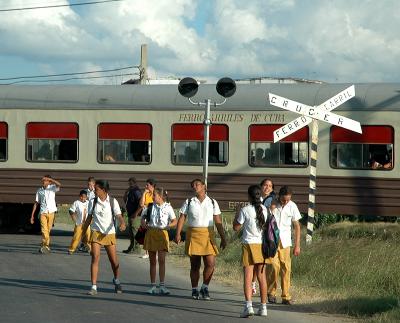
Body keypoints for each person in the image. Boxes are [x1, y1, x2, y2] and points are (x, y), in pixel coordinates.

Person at [175, 178, 227, 300]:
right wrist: (177, 234)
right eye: (193, 185)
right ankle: (194, 289)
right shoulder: (189, 201)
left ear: (204, 186)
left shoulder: (212, 202)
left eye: (197, 184)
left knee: (210, 263)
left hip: (208, 234)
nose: (195, 187)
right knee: (195, 265)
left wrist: (223, 238)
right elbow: (182, 218)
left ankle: (205, 287)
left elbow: (218, 221)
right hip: (193, 234)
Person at [82, 180, 126, 295]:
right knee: (95, 257)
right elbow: (89, 218)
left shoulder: (112, 201)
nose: (94, 191)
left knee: (114, 261)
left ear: (104, 190)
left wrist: (122, 223)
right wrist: (82, 233)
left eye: (96, 189)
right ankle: (94, 286)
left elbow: (118, 215)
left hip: (109, 233)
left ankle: (116, 280)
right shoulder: (93, 201)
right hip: (96, 232)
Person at [233, 185, 268, 317]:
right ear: (260, 196)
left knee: (248, 277)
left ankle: (249, 306)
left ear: (249, 196)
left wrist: (237, 211)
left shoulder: (245, 210)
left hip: (249, 245)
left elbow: (236, 227)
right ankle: (263, 307)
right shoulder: (265, 209)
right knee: (261, 276)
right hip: (262, 246)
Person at [266, 185, 301, 305]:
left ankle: (286, 296)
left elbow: (297, 226)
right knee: (273, 266)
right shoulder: (271, 203)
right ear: (279, 196)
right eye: (283, 200)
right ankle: (271, 292)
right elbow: (264, 218)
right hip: (272, 240)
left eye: (288, 200)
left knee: (286, 268)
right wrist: (272, 207)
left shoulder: (292, 206)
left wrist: (297, 245)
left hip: (285, 241)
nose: (285, 202)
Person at [141, 187, 177, 295]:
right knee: (152, 261)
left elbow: (174, 220)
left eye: (154, 195)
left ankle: (162, 285)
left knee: (162, 260)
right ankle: (152, 285)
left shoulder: (168, 207)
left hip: (162, 234)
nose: (152, 197)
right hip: (151, 232)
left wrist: (168, 226)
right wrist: (144, 224)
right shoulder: (150, 206)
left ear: (160, 197)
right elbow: (143, 217)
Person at [251, 178, 276, 295]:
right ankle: (253, 283)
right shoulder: (257, 199)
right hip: (256, 234)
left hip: (266, 235)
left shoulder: (273, 200)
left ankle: (263, 288)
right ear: (261, 187)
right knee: (255, 262)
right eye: (265, 185)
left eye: (270, 186)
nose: (267, 188)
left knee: (261, 263)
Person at [30, 175, 61, 254]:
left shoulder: (52, 188)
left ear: (49, 182)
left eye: (46, 180)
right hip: (43, 212)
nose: (44, 182)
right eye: (43, 180)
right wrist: (32, 215)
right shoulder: (39, 190)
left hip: (51, 212)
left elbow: (59, 185)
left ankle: (45, 246)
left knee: (48, 230)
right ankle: (45, 245)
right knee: (44, 230)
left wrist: (51, 179)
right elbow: (36, 203)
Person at [122, 177, 143, 254]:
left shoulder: (136, 191)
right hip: (130, 214)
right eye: (129, 183)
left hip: (135, 215)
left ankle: (136, 249)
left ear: (134, 182)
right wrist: (126, 192)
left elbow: (141, 203)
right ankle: (131, 247)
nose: (129, 184)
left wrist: (136, 213)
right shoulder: (131, 191)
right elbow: (125, 200)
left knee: (135, 232)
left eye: (131, 183)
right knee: (131, 233)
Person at [138, 178, 157, 259]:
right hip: (145, 214)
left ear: (152, 185)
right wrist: (144, 193)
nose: (146, 186)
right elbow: (141, 204)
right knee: (145, 234)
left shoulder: (156, 194)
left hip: (153, 214)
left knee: (154, 233)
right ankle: (146, 252)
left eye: (147, 185)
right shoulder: (146, 194)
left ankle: (155, 253)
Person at [68, 190, 90, 255]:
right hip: (79, 224)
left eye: (84, 197)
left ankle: (88, 248)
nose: (83, 198)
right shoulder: (76, 203)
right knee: (76, 237)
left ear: (86, 197)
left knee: (88, 236)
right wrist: (74, 220)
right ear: (79, 196)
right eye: (81, 197)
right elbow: (71, 211)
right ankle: (71, 249)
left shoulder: (88, 203)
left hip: (87, 224)